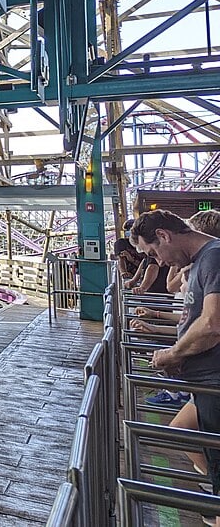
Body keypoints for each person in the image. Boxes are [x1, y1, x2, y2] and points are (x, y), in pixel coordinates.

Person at [132, 209, 220, 500]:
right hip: (205, 384)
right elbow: (195, 321)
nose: (158, 262)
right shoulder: (202, 261)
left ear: (163, 235)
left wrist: (172, 354)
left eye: (154, 252)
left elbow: (211, 325)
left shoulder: (213, 257)